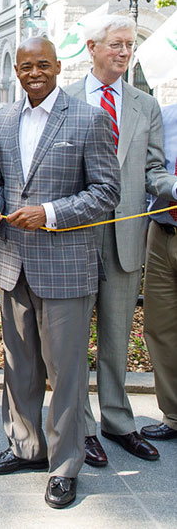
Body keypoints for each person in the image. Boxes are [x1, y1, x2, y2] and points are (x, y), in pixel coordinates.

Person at [0, 36, 119, 509]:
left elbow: (106, 194)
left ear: (58, 66)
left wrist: (51, 213)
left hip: (65, 267)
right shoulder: (0, 120)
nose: (33, 73)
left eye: (42, 65)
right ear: (15, 71)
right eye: (24, 67)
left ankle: (64, 466)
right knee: (19, 367)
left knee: (67, 374)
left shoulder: (89, 118)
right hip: (13, 264)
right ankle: (27, 447)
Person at [64, 14, 177, 466]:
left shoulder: (144, 105)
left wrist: (173, 186)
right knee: (72, 340)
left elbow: (152, 172)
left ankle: (117, 420)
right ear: (92, 47)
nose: (125, 52)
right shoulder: (65, 99)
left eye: (129, 45)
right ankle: (81, 427)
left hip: (128, 237)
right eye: (116, 44)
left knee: (116, 337)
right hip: (74, 238)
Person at [141, 103, 177, 443]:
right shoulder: (165, 116)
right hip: (163, 232)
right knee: (160, 327)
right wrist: (173, 188)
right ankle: (174, 414)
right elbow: (151, 170)